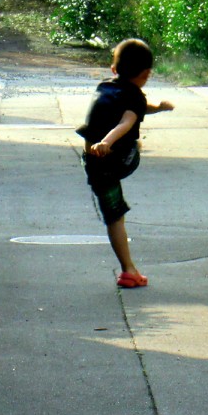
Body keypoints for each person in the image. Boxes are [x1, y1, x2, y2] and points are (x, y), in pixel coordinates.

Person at [77, 39, 174, 288]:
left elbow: (138, 108)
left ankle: (128, 270)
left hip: (94, 164)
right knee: (133, 146)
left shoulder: (107, 86)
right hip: (116, 159)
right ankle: (128, 270)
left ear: (114, 69)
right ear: (146, 74)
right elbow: (126, 122)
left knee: (114, 216)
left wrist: (159, 108)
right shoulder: (134, 97)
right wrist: (106, 142)